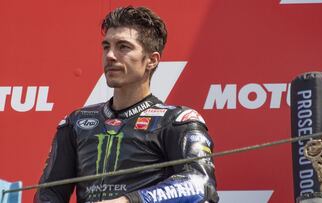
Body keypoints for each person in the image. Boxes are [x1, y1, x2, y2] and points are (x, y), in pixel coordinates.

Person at [34, 6, 218, 203]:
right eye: (106, 47)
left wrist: (128, 201)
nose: (110, 55)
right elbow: (49, 194)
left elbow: (200, 185)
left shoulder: (177, 121)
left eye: (123, 47)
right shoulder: (77, 122)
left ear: (152, 60)